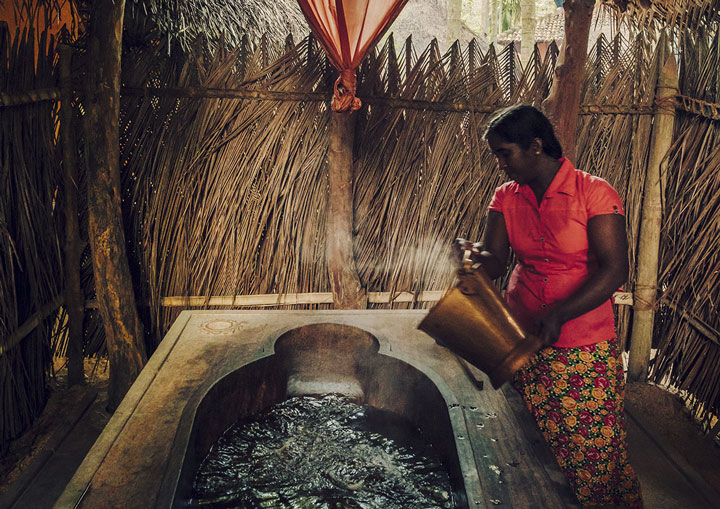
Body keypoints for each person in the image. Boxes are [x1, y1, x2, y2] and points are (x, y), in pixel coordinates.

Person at [455, 104, 643, 507]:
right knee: (533, 442)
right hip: (522, 335)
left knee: (590, 449)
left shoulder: (594, 192)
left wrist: (559, 313)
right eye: (497, 156)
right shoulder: (507, 197)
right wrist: (470, 256)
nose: (500, 164)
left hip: (582, 344)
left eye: (505, 153)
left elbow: (614, 271)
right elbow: (496, 260)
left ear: (536, 146)